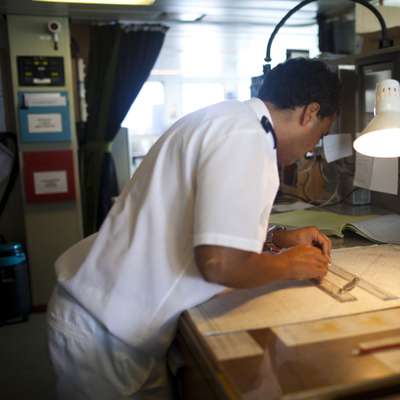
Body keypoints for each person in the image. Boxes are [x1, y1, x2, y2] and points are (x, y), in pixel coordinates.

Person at [46, 57, 341, 399]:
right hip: (105, 329)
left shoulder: (230, 120)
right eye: (320, 134)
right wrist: (289, 264)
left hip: (116, 315)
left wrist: (275, 237)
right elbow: (220, 263)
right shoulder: (247, 139)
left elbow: (201, 218)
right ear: (309, 113)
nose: (312, 148)